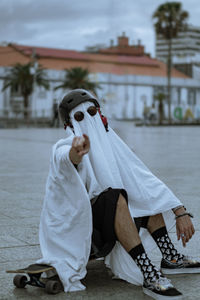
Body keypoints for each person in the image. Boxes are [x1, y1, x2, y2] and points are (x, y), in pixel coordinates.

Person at [37, 89, 200, 299]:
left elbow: (144, 179)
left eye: (92, 111)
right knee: (114, 196)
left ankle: (170, 257)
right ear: (70, 124)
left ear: (101, 114)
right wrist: (75, 153)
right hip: (83, 230)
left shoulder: (113, 143)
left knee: (140, 190)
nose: (88, 118)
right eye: (79, 117)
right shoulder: (65, 145)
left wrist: (180, 211)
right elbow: (64, 159)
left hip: (111, 221)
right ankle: (149, 273)